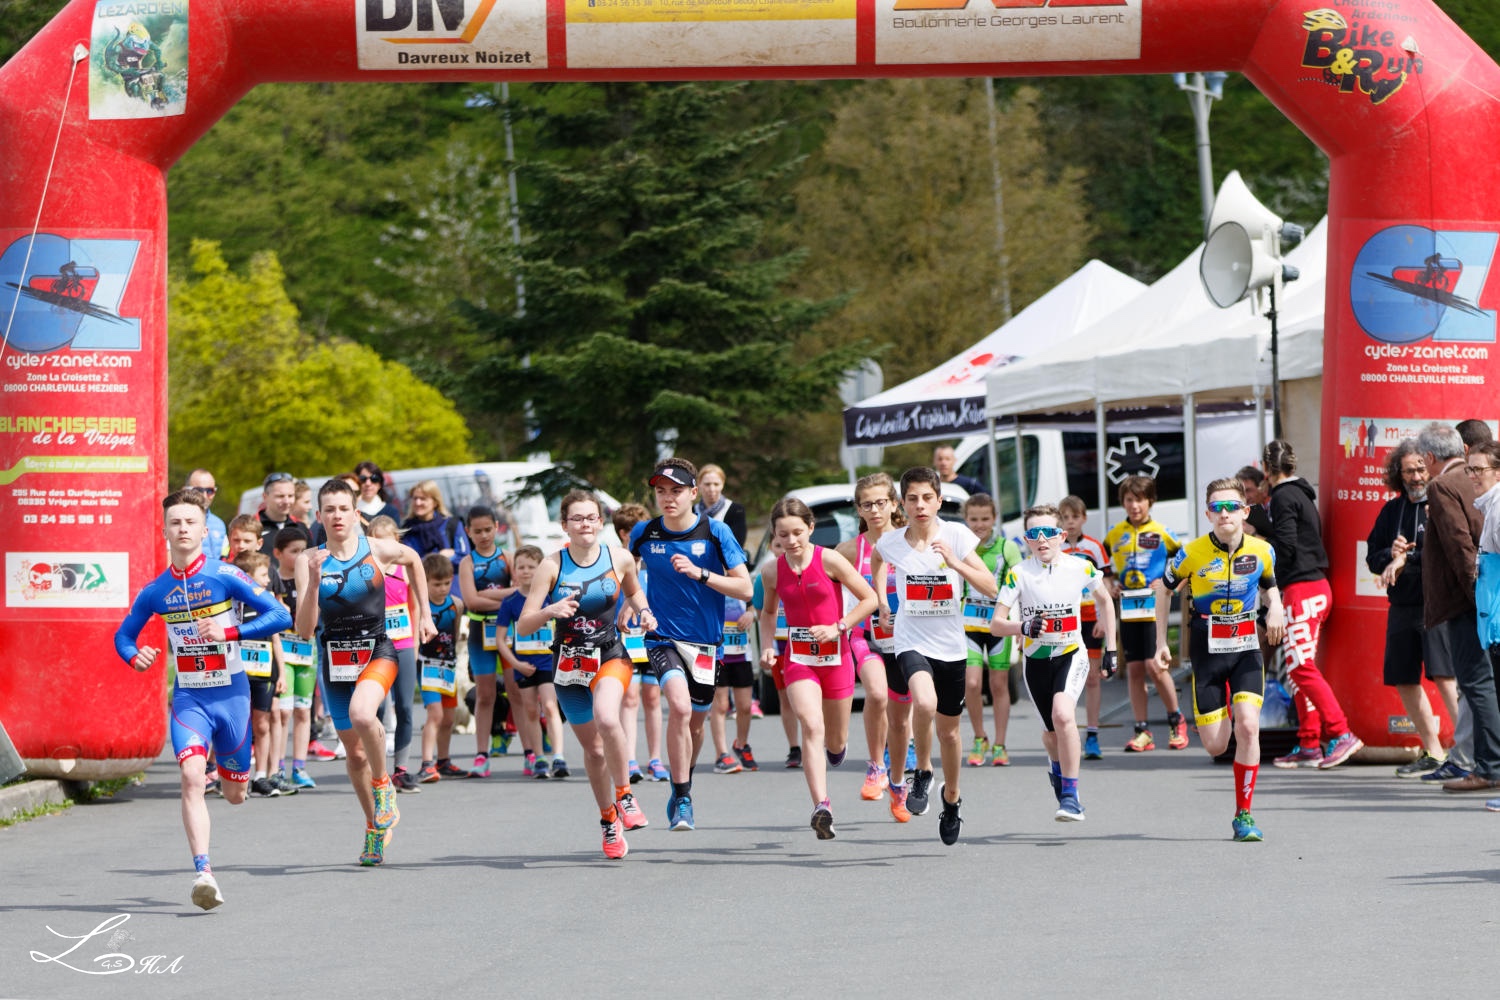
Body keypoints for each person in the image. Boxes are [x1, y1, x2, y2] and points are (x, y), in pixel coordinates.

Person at [114, 489, 292, 909]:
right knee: (192, 776)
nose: (183, 529)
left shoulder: (224, 574)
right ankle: (204, 873)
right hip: (190, 698)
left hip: (232, 697)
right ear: (164, 531)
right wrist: (135, 656)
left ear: (203, 530)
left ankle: (237, 780)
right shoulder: (156, 591)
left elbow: (281, 615)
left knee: (235, 794)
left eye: (190, 522)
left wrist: (231, 632)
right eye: (175, 522)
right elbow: (124, 635)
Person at [294, 479, 435, 866]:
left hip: (378, 650)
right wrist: (314, 583)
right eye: (329, 510)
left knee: (362, 714)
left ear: (356, 514)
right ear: (319, 516)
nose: (337, 516)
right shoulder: (308, 560)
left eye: (344, 509)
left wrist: (425, 614)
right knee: (354, 755)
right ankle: (374, 825)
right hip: (335, 659)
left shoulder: (377, 549)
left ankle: (383, 783)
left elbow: (414, 560)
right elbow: (305, 629)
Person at [518, 490, 654, 859]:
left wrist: (642, 611)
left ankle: (625, 795)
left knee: (608, 717)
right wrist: (550, 611)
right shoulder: (551, 566)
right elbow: (524, 625)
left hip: (610, 654)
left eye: (591, 517)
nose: (585, 525)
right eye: (577, 519)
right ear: (564, 525)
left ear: (600, 521)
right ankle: (608, 819)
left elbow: (635, 593)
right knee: (593, 751)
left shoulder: (619, 557)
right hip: (568, 666)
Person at [870, 466, 998, 845]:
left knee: (950, 733)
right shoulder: (892, 542)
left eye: (927, 498)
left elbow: (991, 587)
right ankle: (923, 771)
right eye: (912, 499)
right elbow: (877, 561)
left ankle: (952, 799)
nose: (920, 505)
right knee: (923, 702)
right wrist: (882, 601)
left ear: (939, 501)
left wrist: (956, 564)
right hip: (911, 640)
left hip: (950, 647)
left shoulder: (956, 535)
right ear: (902, 504)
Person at [628, 458, 753, 831]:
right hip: (662, 637)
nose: (668, 498)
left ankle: (683, 782)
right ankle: (683, 799)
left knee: (696, 724)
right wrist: (634, 606)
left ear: (694, 493)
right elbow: (626, 573)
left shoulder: (715, 532)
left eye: (677, 491)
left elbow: (744, 587)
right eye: (661, 491)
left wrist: (701, 574)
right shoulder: (644, 532)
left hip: (705, 645)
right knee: (679, 709)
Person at [1162, 480, 1285, 841]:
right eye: (1217, 508)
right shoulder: (1191, 553)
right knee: (1217, 745)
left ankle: (1243, 814)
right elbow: (1163, 590)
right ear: (1208, 514)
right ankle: (1219, 711)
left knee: (1248, 726)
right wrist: (1160, 642)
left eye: (1232, 507)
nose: (1225, 514)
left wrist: (1276, 607)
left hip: (1246, 649)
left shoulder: (1263, 550)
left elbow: (1269, 585)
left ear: (1245, 512)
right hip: (1207, 651)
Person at [991, 503, 1119, 822]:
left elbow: (1105, 601)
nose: (1041, 540)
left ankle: (1072, 796)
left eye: (1048, 532)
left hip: (1071, 653)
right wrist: (1023, 627)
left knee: (1063, 715)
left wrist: (1111, 648)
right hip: (1036, 660)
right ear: (1026, 539)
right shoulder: (1019, 573)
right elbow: (996, 625)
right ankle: (1058, 769)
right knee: (1051, 734)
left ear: (1061, 535)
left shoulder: (1080, 567)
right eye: (1034, 534)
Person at [758, 498, 878, 838]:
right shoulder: (771, 571)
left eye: (798, 532)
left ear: (811, 528)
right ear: (775, 535)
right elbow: (768, 614)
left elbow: (870, 598)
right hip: (799, 659)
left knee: (835, 741)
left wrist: (839, 627)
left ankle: (836, 749)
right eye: (783, 534)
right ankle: (821, 806)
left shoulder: (830, 560)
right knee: (811, 725)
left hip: (836, 658)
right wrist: (767, 647)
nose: (791, 540)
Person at [1261, 440, 1364, 770]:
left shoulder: (1282, 497)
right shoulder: (1301, 494)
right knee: (1299, 667)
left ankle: (1341, 732)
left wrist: (1260, 538)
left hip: (1302, 590)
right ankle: (1308, 743)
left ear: (1265, 468)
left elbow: (1286, 546)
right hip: (1313, 588)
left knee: (1301, 667)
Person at [1414, 424, 1500, 794]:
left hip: (1469, 601)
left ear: (1429, 457)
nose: (1473, 475)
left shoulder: (1442, 486)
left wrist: (1477, 598)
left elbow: (1460, 545)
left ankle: (1490, 766)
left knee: (1477, 684)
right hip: (1480, 596)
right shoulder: (1473, 487)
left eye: (1478, 469)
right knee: (1483, 683)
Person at [1365, 441, 1451, 777]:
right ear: (1398, 476)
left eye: (1420, 469)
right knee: (1403, 678)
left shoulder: (1441, 503)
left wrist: (1407, 557)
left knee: (1445, 676)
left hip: (1436, 604)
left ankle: (1471, 753)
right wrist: (1390, 553)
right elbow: (1372, 558)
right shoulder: (1391, 511)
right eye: (1408, 472)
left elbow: (1448, 552)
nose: (1415, 477)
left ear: (1430, 468)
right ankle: (1434, 751)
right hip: (1401, 606)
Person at [1103, 475, 1186, 752]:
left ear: (1150, 501)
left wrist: (1169, 584)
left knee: (1155, 666)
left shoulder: (1162, 532)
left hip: (1154, 608)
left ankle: (1176, 720)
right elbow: (1101, 568)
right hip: (1128, 608)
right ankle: (1142, 731)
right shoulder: (1114, 534)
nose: (1134, 505)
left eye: (1140, 500)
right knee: (1135, 669)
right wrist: (1110, 585)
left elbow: (1186, 564)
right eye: (1129, 500)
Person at [834, 473, 899, 803]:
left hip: (907, 637)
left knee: (907, 705)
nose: (874, 510)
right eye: (867, 505)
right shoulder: (847, 551)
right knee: (876, 693)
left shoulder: (910, 543)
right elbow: (829, 595)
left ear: (894, 504)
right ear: (858, 509)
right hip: (865, 636)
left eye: (880, 503)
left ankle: (903, 764)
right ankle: (876, 766)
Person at [959, 493, 1022, 767]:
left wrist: (1022, 624)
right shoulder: (960, 547)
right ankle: (979, 737)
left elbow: (1022, 586)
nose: (979, 524)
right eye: (974, 519)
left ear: (995, 518)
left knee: (998, 684)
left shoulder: (1008, 548)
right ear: (965, 519)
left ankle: (1000, 743)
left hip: (999, 624)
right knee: (972, 683)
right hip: (968, 624)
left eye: (985, 518)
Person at [495, 545, 569, 779]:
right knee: (530, 710)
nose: (526, 571)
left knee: (549, 705)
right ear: (514, 571)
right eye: (521, 567)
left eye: (531, 567)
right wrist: (515, 664)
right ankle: (539, 758)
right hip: (523, 665)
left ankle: (558, 756)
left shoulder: (550, 598)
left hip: (548, 661)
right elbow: (500, 640)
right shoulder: (510, 602)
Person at [456, 504, 516, 777]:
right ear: (468, 532)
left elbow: (521, 591)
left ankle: (532, 753)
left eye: (488, 530)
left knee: (517, 692)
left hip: (507, 631)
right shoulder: (467, 563)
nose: (483, 536)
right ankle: (481, 754)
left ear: (497, 528)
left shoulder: (507, 558)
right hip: (480, 633)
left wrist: (488, 596)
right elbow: (471, 601)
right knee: (485, 694)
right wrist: (505, 597)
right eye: (477, 531)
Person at [367, 516, 422, 793]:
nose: (382, 546)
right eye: (375, 540)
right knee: (375, 708)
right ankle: (375, 769)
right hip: (375, 646)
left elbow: (414, 607)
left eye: (386, 540)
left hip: (403, 642)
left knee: (405, 707)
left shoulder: (405, 568)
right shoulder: (366, 569)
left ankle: (401, 769)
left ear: (397, 541)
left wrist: (416, 641)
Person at [1058, 495, 1111, 760]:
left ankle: (1092, 735)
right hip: (1064, 619)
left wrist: (1103, 619)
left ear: (1084, 518)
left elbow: (1106, 585)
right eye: (1065, 517)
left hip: (1091, 619)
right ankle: (1064, 733)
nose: (1070, 522)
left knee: (1092, 678)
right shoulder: (1055, 547)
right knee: (1064, 680)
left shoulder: (1094, 547)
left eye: (1075, 517)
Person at [269, 524, 323, 786]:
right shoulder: (271, 580)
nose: (301, 556)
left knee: (303, 711)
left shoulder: (311, 579)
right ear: (278, 553)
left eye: (304, 551)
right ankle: (277, 766)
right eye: (294, 551)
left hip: (306, 650)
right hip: (282, 652)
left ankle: (299, 768)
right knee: (283, 713)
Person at [234, 550, 290, 798]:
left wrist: (282, 675)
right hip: (239, 674)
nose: (269, 580)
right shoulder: (234, 605)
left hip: (266, 673)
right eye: (264, 575)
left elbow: (276, 640)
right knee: (239, 725)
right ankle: (237, 776)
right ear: (247, 577)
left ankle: (261, 776)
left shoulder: (268, 604)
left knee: (262, 724)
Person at [613, 503, 663, 782]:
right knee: (630, 698)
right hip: (625, 638)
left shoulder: (653, 559)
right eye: (639, 531)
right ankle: (629, 759)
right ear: (624, 534)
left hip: (653, 636)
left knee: (653, 697)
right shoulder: (616, 561)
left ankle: (655, 758)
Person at [416, 553, 465, 783]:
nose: (442, 589)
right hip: (427, 665)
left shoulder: (456, 604)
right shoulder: (420, 606)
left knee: (448, 718)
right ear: (424, 581)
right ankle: (427, 763)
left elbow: (454, 632)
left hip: (447, 665)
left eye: (446, 583)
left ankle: (443, 761)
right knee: (435, 714)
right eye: (436, 584)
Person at [711, 595, 757, 773]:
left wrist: (751, 615)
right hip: (717, 653)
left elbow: (753, 607)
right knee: (721, 705)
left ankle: (741, 744)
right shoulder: (710, 582)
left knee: (745, 706)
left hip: (741, 653)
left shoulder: (741, 583)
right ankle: (721, 754)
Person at [401, 479, 471, 572]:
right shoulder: (407, 530)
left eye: (423, 498)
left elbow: (464, 557)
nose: (418, 503)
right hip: (423, 580)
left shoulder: (452, 524)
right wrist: (440, 557)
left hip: (452, 579)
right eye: (415, 498)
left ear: (435, 502)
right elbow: (407, 563)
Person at [695, 463, 748, 548]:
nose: (712, 489)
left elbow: (736, 545)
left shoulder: (736, 510)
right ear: (699, 484)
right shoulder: (691, 511)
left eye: (716, 484)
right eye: (707, 484)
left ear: (722, 484)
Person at [186, 468, 228, 559]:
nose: (204, 496)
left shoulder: (219, 524)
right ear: (185, 490)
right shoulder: (177, 522)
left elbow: (224, 557)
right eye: (198, 490)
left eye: (210, 491)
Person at [258, 471, 299, 555]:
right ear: (265, 497)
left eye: (290, 496)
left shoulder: (300, 527)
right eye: (280, 496)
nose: (286, 501)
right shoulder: (252, 528)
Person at [354, 460, 402, 526]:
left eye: (374, 479)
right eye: (363, 479)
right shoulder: (350, 511)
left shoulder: (391, 511)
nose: (368, 483)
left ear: (380, 484)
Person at [1235, 465, 1275, 538]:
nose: (1245, 497)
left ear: (1263, 488)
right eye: (1241, 492)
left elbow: (1283, 544)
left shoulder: (1278, 506)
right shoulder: (1244, 514)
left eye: (1248, 490)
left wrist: (1253, 533)